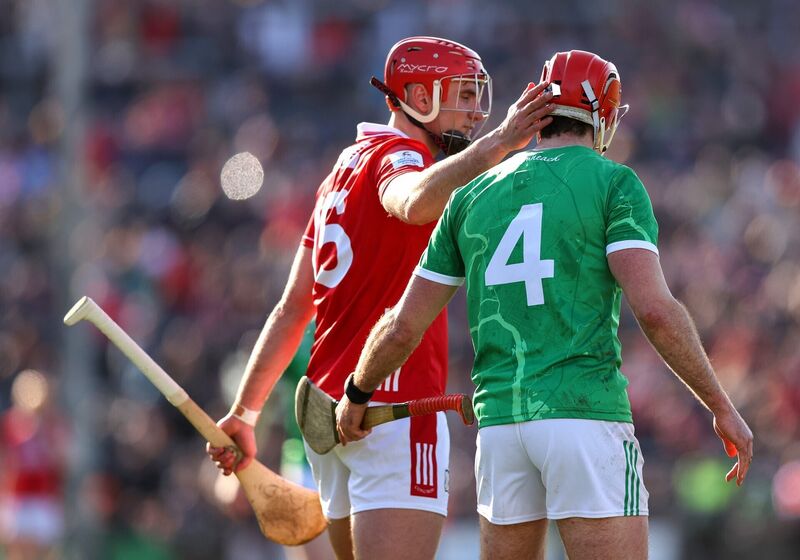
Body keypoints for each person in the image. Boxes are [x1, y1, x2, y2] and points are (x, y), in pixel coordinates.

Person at [336, 49, 754, 560]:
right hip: (584, 415)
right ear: (603, 112)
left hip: (502, 431)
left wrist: (357, 391)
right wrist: (722, 406)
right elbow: (656, 313)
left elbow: (402, 327)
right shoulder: (614, 182)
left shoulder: (470, 192)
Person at [208, 36, 554, 560]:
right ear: (417, 98)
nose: (474, 113)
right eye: (461, 95)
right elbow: (412, 201)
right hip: (393, 411)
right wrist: (499, 145)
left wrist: (244, 412)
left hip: (328, 416)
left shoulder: (340, 171)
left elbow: (292, 308)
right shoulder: (400, 157)